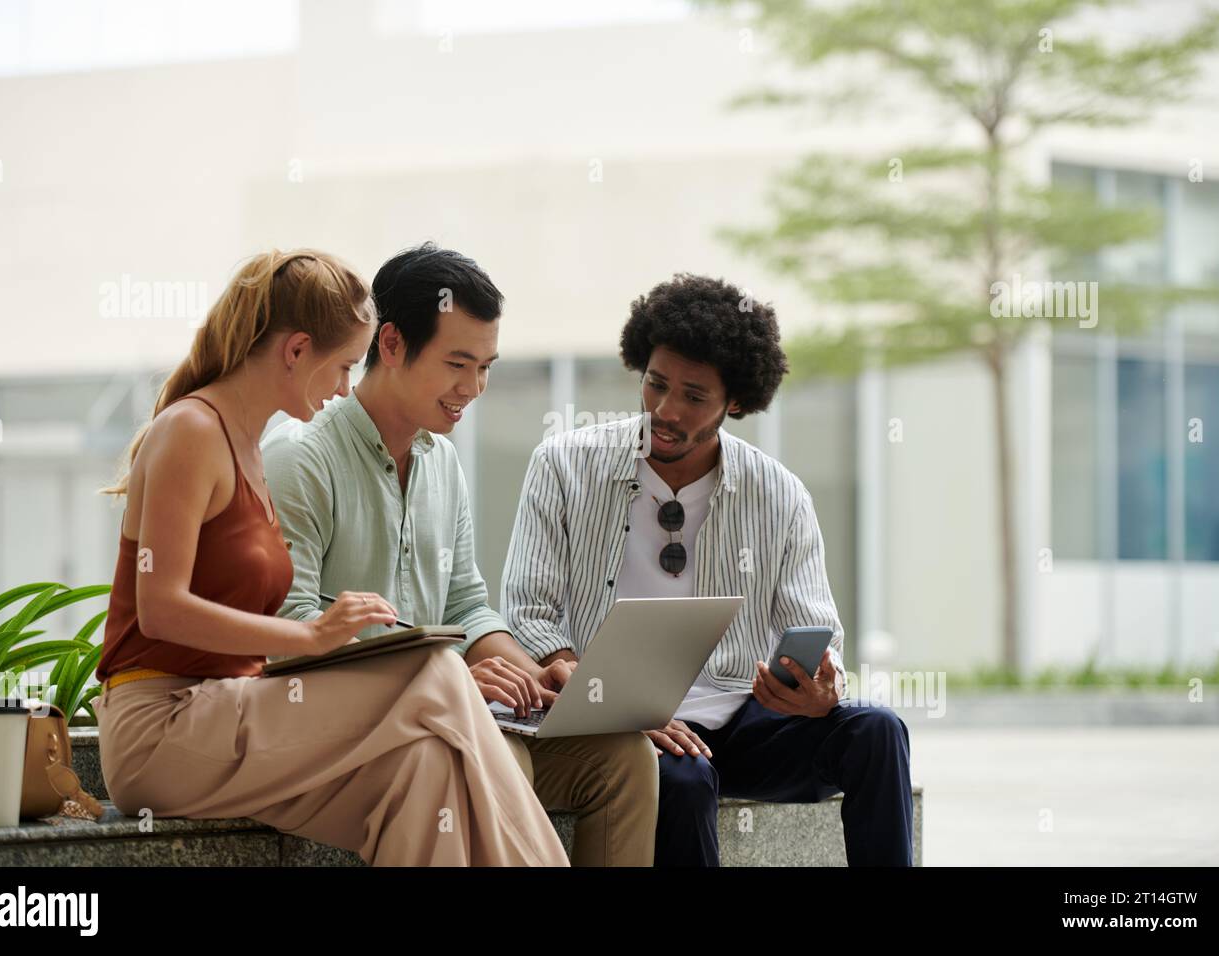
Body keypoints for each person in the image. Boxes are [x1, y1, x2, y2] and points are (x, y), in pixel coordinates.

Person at [94, 248, 568, 867]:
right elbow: (160, 611)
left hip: (232, 714)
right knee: (437, 672)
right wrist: (311, 634)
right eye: (344, 365)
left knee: (425, 774)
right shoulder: (191, 431)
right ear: (296, 352)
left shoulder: (251, 450)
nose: (347, 386)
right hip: (163, 728)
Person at [262, 242, 658, 867]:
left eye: (486, 366)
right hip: (350, 727)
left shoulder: (441, 461)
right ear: (388, 344)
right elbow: (287, 633)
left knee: (624, 757)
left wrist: (533, 674)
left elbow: (467, 603)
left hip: (450, 709)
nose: (473, 388)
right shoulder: (301, 456)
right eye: (457, 363)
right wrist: (445, 679)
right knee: (505, 755)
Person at [501, 273, 914, 866]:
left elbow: (816, 631)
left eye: (693, 397)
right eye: (656, 384)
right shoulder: (564, 466)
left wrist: (822, 691)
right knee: (685, 779)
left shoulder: (780, 494)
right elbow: (530, 616)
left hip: (745, 722)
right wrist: (611, 700)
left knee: (878, 730)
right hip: (623, 724)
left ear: (736, 402)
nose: (665, 411)